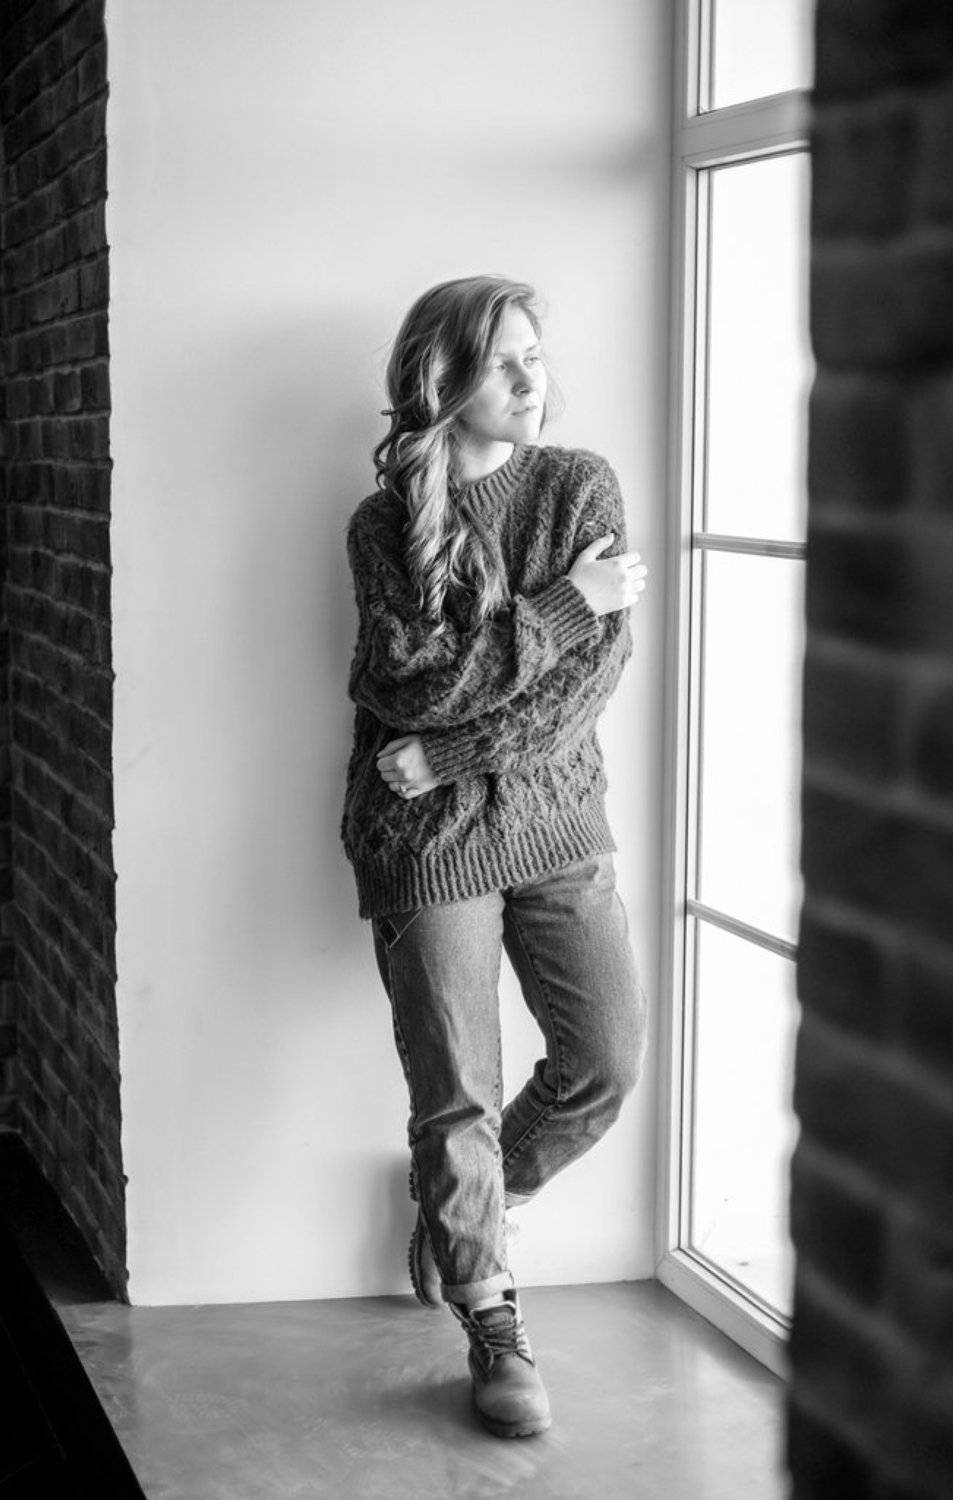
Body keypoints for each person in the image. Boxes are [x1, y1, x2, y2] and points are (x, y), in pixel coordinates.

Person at [340, 274, 649, 1439]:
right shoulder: (383, 525)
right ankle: (490, 1315)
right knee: (454, 1091)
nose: (530, 378)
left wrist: (454, 749)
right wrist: (563, 603)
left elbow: (588, 683)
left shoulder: (577, 486)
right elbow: (405, 681)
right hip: (422, 835)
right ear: (441, 381)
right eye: (501, 360)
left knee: (603, 1058)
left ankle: (468, 1208)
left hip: (554, 818)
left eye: (534, 354)